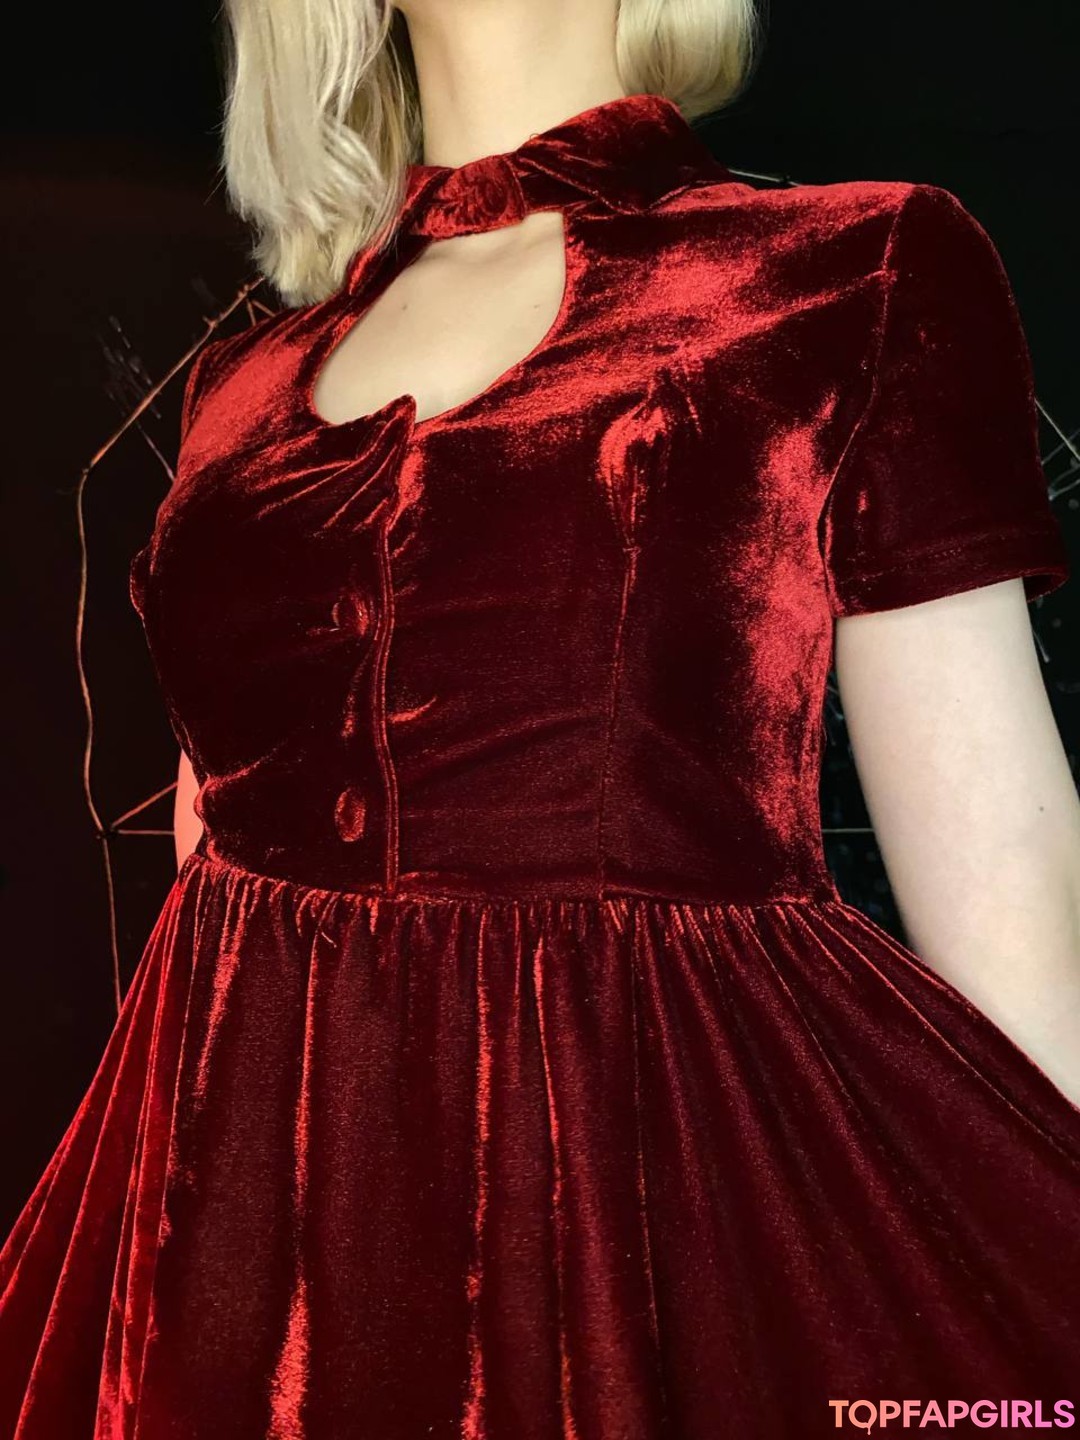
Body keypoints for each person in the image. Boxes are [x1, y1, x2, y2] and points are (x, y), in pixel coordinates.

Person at [3, 0, 1080, 1435]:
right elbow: (202, 902)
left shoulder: (858, 271)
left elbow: (1015, 902)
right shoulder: (233, 398)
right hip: (239, 1260)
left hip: (645, 1219)